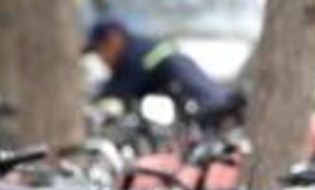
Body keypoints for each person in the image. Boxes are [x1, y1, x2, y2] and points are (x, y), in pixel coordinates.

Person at [85, 17, 240, 124]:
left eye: (100, 51)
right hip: (200, 96)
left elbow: (122, 87)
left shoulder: (133, 56)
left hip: (199, 102)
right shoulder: (140, 47)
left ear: (113, 39)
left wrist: (94, 98)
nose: (102, 59)